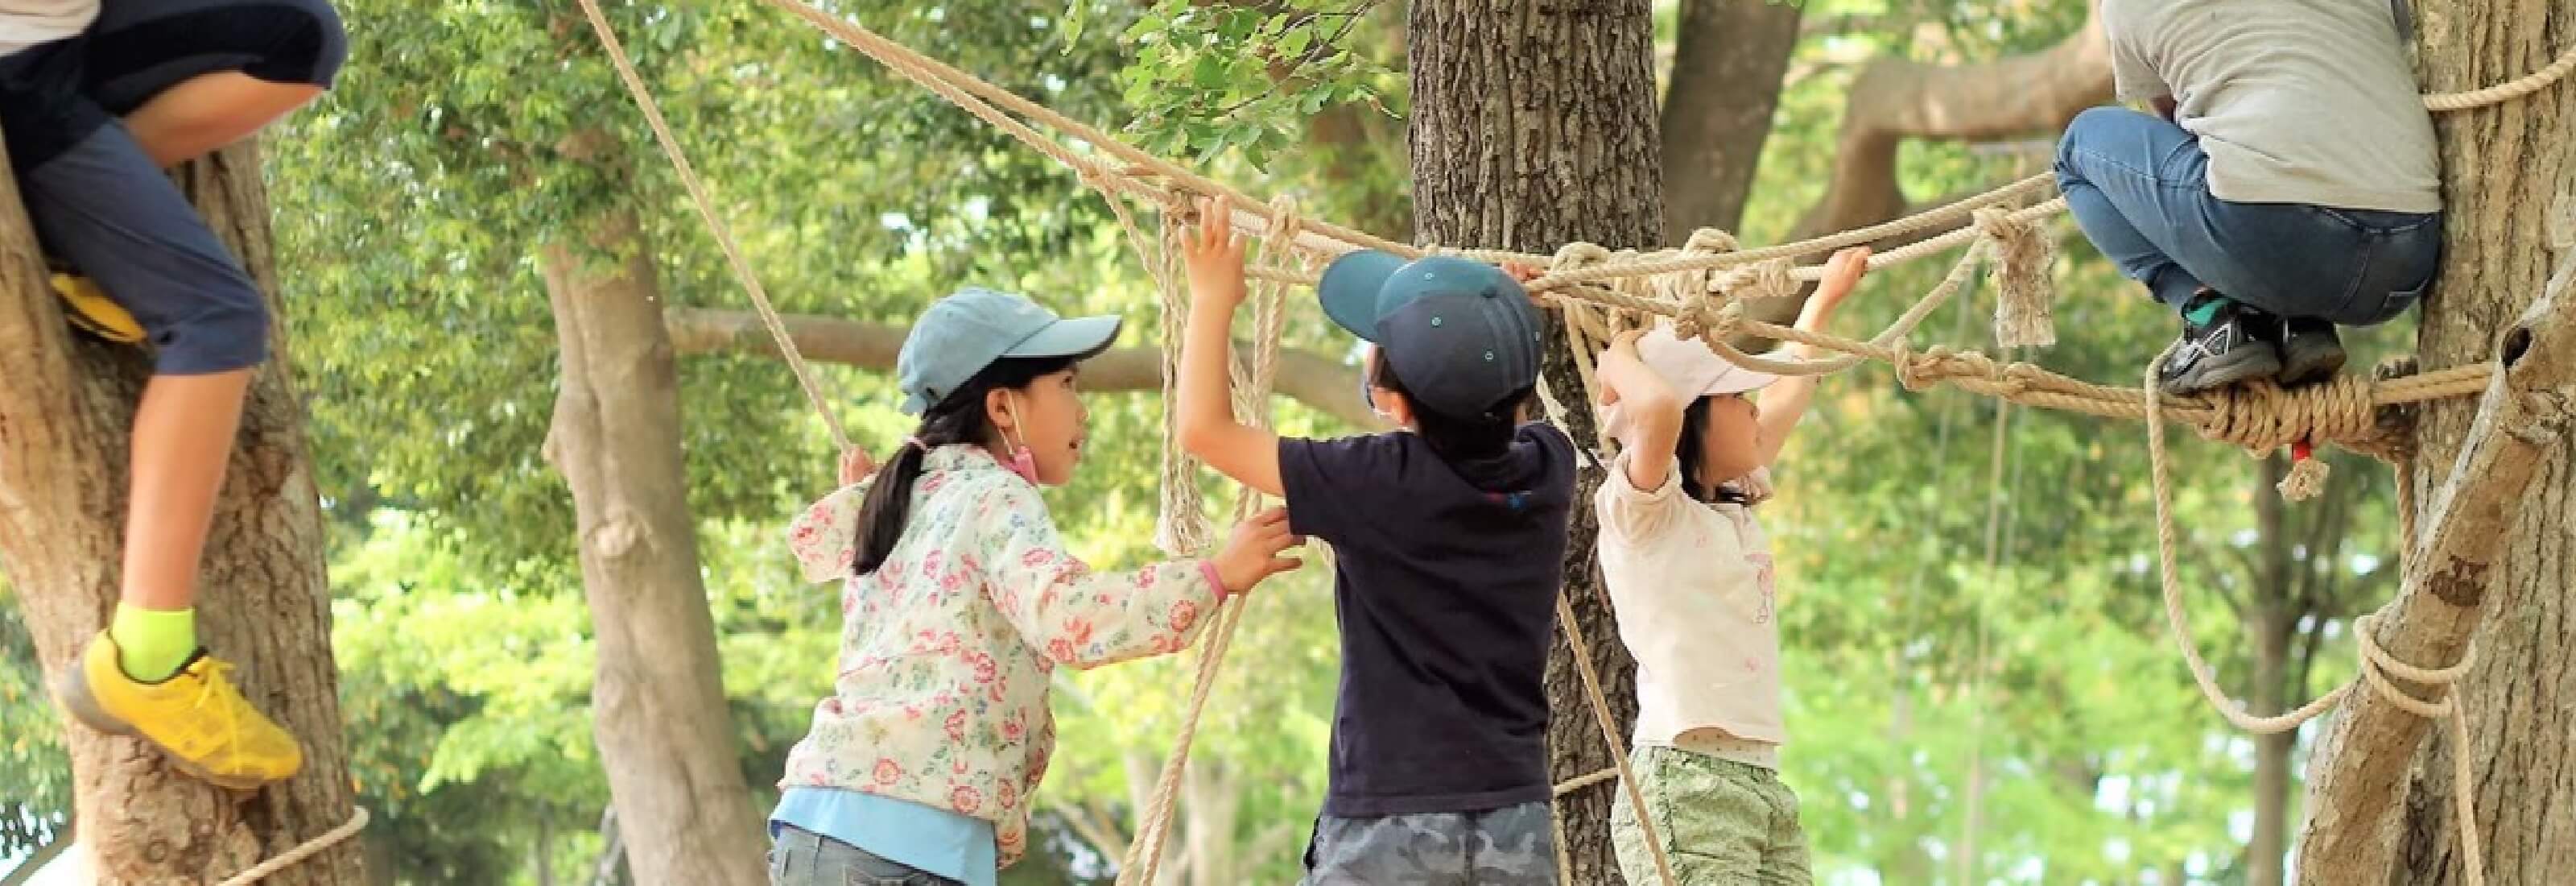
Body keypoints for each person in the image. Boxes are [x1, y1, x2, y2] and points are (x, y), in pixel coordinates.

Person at [772, 288, 1304, 885]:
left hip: (816, 826)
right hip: (908, 847)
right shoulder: (994, 495)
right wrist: (1213, 576)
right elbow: (1067, 616)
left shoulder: (896, 501)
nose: (1083, 410)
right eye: (1068, 384)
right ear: (1003, 409)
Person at [1176, 197, 1574, 884]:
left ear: (1393, 401)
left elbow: (1204, 431)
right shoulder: (1548, 466)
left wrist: (1213, 297)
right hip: (1516, 814)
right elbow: (1508, 407)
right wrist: (1505, 315)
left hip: (1391, 820)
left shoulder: (1374, 481)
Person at [22, 0, 349, 789]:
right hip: (20, 81)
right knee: (216, 318)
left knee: (298, 35)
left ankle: (81, 225)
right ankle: (149, 656)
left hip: (59, 44)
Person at [1589, 248, 1869, 885]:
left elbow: (1793, 390)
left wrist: (1823, 301)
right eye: (1736, 397)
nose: (1753, 407)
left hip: (1762, 784)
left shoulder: (1730, 507)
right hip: (1687, 786)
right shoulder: (1646, 515)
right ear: (1694, 421)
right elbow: (1656, 412)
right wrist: (1621, 354)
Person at [2056, 0, 2442, 395]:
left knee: (2076, 150)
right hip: (2406, 256)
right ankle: (2295, 324)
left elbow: (2179, 125)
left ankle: (2215, 317)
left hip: (2273, 238)